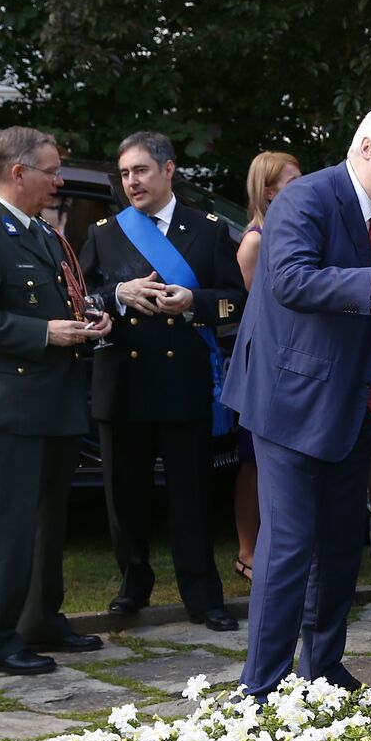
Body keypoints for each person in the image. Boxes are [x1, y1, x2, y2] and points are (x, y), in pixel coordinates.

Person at [235, 105, 371, 698]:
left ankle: (320, 666)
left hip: (354, 404)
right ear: (366, 146)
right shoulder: (306, 198)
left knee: (341, 543)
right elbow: (291, 281)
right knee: (290, 546)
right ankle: (260, 688)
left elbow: (355, 308)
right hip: (291, 404)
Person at [0, 126, 110, 675]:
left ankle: (40, 619)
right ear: (18, 173)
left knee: (48, 522)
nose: (58, 181)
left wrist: (90, 320)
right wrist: (45, 335)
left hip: (54, 401)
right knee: (11, 526)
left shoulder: (39, 232)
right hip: (16, 406)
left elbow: (58, 299)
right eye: (51, 171)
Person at [80, 131, 244, 633]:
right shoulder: (104, 232)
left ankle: (202, 594)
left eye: (141, 171)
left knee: (191, 497)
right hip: (123, 382)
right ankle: (133, 586)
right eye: (125, 173)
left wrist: (193, 304)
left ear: (168, 170)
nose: (131, 182)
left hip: (183, 382)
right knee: (124, 496)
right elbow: (79, 300)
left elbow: (235, 299)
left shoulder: (208, 229)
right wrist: (118, 294)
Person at [224, 151, 302, 582]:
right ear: (269, 190)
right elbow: (263, 307)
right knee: (253, 460)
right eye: (292, 180)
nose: (302, 184)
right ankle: (248, 550)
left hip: (285, 359)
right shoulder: (255, 239)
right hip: (264, 359)